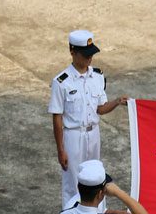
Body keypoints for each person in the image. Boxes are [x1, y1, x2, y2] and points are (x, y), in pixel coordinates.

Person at [49, 30, 128, 204]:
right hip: (73, 135)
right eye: (85, 55)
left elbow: (100, 108)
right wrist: (60, 149)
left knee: (95, 178)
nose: (89, 58)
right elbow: (57, 118)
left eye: (91, 54)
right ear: (73, 52)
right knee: (73, 182)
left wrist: (117, 101)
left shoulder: (97, 76)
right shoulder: (62, 82)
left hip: (93, 134)